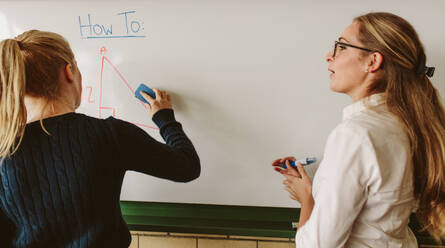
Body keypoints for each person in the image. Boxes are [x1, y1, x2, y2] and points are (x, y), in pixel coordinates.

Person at [0, 30, 201, 247]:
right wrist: (165, 119)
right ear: (69, 72)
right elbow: (187, 166)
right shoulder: (108, 134)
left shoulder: (3, 151)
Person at [273, 12, 445, 247]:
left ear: (372, 62)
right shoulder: (406, 125)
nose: (328, 56)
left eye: (341, 47)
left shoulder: (355, 134)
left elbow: (317, 245)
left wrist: (307, 200)